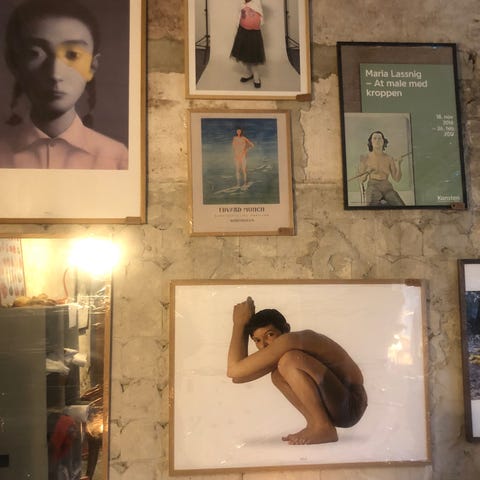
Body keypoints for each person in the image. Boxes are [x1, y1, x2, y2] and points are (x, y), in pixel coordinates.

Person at [0, 0, 128, 170]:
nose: (55, 74)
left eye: (72, 54)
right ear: (14, 64)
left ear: (92, 66)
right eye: (35, 53)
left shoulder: (118, 159)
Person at [227, 297, 368, 445]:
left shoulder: (290, 340)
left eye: (269, 335)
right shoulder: (282, 349)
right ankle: (315, 424)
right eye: (257, 340)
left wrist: (239, 324)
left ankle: (323, 427)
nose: (264, 345)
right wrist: (242, 327)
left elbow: (234, 371)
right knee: (277, 374)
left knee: (289, 361)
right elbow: (238, 377)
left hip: (351, 402)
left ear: (286, 329)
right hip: (338, 405)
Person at [357, 131, 405, 206]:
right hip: (373, 187)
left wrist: (398, 164)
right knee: (371, 207)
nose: (377, 140)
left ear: (383, 142)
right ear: (371, 142)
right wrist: (367, 172)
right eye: (374, 138)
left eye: (380, 138)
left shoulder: (389, 158)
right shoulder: (365, 157)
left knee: (400, 206)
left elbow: (397, 179)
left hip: (387, 187)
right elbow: (361, 179)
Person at [230, 0, 265, 88]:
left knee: (253, 55)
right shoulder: (241, 3)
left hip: (254, 33)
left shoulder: (257, 2)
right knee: (244, 53)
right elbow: (238, 15)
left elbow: (260, 13)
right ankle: (249, 73)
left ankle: (256, 76)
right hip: (242, 31)